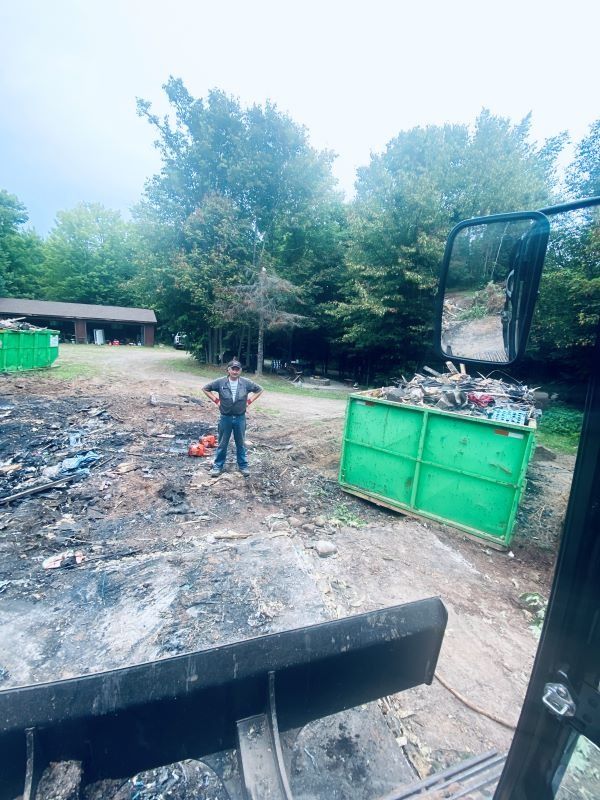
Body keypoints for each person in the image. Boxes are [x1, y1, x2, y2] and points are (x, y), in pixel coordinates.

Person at [202, 360, 263, 477]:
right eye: (233, 369)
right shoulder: (220, 382)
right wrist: (216, 400)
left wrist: (249, 401)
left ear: (240, 370)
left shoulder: (246, 383)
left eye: (237, 369)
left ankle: (243, 466)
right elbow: (205, 388)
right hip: (225, 418)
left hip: (240, 418)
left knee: (240, 443)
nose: (235, 371)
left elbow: (260, 389)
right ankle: (217, 467)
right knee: (222, 443)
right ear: (228, 370)